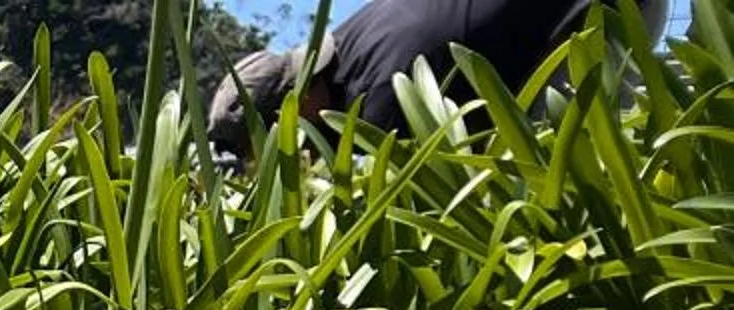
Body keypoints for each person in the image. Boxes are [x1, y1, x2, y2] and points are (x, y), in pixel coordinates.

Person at [205, 0, 661, 150]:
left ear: (296, 105)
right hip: (554, 31)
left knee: (578, 169)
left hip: (600, 17)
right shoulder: (347, 40)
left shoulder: (383, 97)